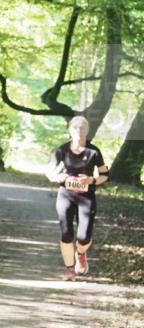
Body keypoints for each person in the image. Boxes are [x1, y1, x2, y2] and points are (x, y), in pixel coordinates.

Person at [45, 115, 108, 281]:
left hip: (86, 197)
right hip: (66, 195)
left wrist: (92, 180)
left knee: (84, 237)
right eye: (75, 128)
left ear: (87, 131)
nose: (79, 131)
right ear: (70, 131)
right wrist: (57, 177)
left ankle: (80, 253)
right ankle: (70, 269)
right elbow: (49, 171)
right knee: (66, 233)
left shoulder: (94, 151)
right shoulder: (62, 150)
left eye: (82, 128)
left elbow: (104, 175)